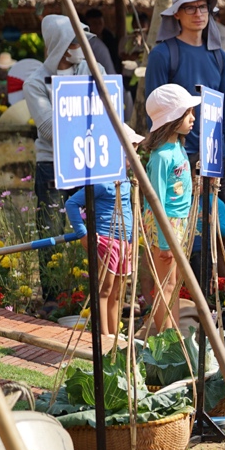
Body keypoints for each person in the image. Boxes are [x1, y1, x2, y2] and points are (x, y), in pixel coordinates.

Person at [25, 14, 105, 303]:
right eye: (74, 41)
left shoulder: (93, 70)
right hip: (53, 165)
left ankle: (97, 291)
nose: (79, 47)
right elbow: (48, 129)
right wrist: (85, 126)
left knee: (99, 225)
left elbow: (107, 106)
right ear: (59, 44)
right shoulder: (35, 82)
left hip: (89, 162)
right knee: (52, 229)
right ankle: (53, 298)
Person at [143, 0, 225, 193]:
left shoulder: (219, 56)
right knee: (180, 224)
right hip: (179, 157)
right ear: (176, 13)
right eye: (190, 8)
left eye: (203, 7)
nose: (198, 14)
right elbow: (154, 112)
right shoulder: (162, 55)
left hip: (217, 157)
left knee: (220, 224)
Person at [64, 125, 141, 348]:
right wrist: (83, 234)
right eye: (132, 150)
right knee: (105, 288)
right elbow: (72, 203)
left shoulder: (126, 181)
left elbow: (128, 210)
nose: (136, 155)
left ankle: (114, 334)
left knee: (118, 291)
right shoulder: (102, 182)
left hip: (124, 240)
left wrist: (132, 240)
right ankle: (103, 335)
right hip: (106, 240)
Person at [141, 83, 200, 334]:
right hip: (166, 226)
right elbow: (155, 201)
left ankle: (173, 335)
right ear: (172, 118)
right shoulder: (162, 156)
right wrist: (164, 243)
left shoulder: (178, 146)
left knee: (173, 285)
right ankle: (164, 340)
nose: (193, 118)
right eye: (187, 113)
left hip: (179, 222)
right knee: (165, 285)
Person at [81, 8, 120, 77]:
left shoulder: (109, 38)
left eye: (100, 23)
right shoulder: (87, 40)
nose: (98, 26)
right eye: (94, 23)